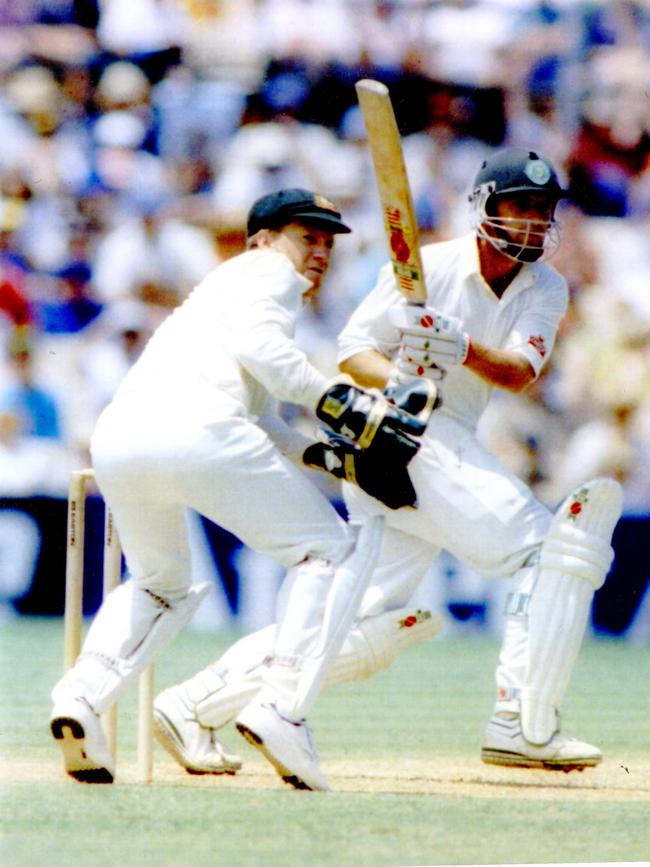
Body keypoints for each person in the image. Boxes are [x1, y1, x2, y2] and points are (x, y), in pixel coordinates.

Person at [153, 148, 622, 776]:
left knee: (364, 609)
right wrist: (405, 375)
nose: (536, 222)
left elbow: (516, 373)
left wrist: (456, 347)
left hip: (447, 435)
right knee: (546, 553)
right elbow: (354, 353)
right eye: (522, 208)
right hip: (403, 431)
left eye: (545, 210)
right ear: (486, 207)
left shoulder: (547, 285)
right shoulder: (428, 267)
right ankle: (519, 723)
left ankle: (193, 703)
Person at [49, 188, 436, 790]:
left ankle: (80, 697)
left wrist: (335, 458)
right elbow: (271, 357)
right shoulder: (266, 271)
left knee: (158, 584)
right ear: (262, 239)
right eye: (306, 237)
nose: (320, 252)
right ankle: (280, 704)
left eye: (328, 242)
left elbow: (264, 419)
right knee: (330, 553)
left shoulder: (221, 295)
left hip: (122, 436)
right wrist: (354, 407)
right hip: (200, 430)